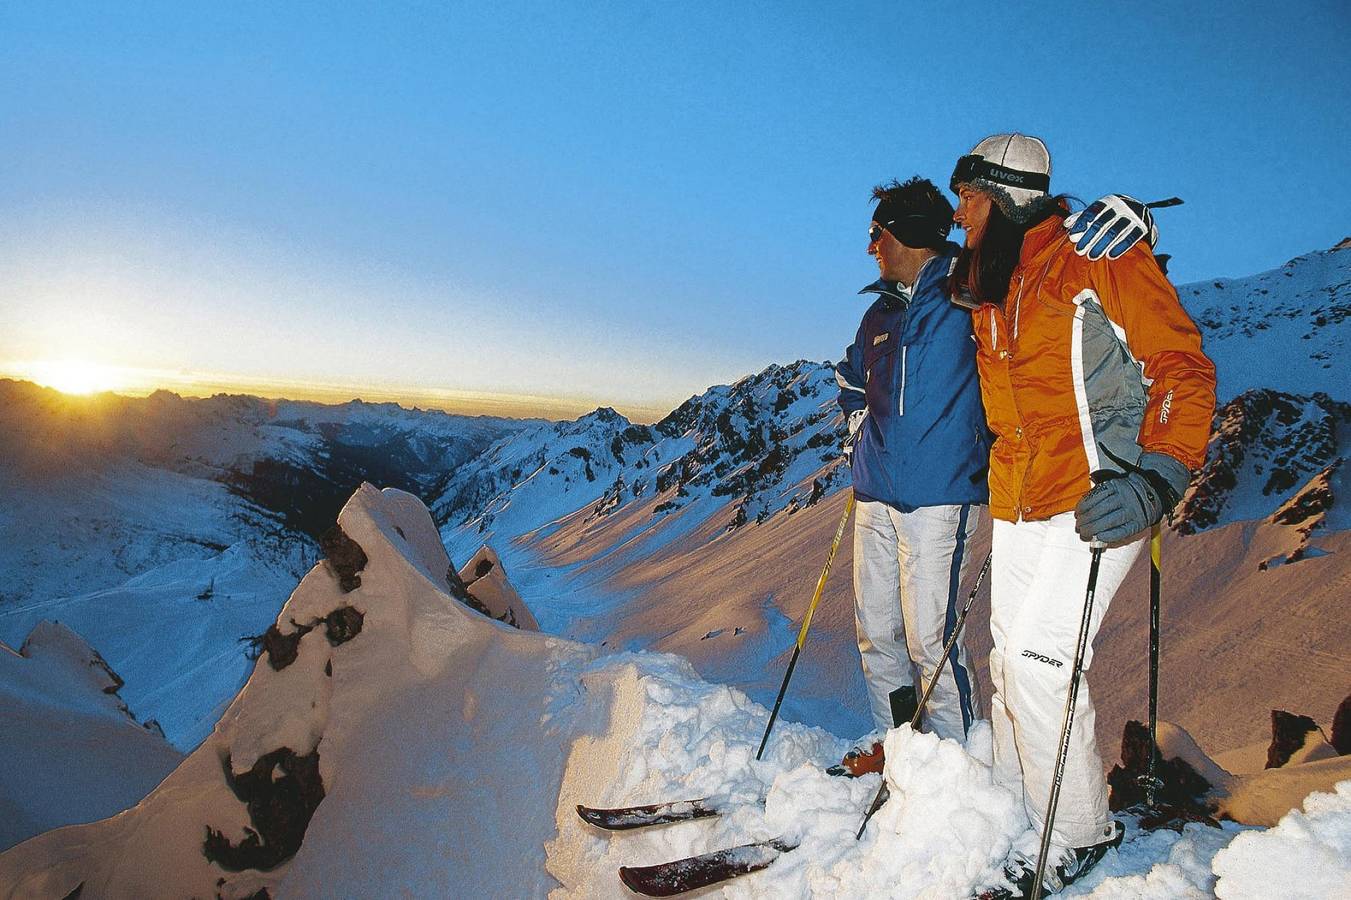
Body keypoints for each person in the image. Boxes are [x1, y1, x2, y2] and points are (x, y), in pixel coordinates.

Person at [948, 134, 1216, 896]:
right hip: (1022, 496)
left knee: (1040, 659)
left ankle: (1078, 831)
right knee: (1009, 660)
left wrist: (1157, 475)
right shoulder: (993, 278)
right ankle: (1009, 803)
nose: (957, 211)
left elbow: (1183, 367)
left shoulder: (1095, 253)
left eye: (967, 196)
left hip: (1100, 494)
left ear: (1002, 196)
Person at [831, 177, 990, 775]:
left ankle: (959, 773)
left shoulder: (969, 293)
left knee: (933, 643)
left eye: (879, 234)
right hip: (874, 493)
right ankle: (899, 749)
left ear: (910, 235)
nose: (872, 247)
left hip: (942, 497)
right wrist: (855, 433)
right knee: (877, 635)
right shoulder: (878, 311)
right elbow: (851, 378)